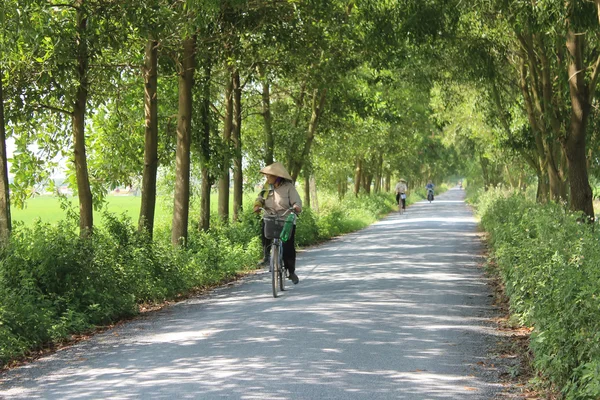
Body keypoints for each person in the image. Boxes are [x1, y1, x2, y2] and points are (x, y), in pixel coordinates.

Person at [253, 162, 302, 284]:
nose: (267, 178)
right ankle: (266, 256)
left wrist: (296, 207)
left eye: (269, 176)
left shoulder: (289, 187)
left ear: (277, 176)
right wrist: (258, 205)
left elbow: (297, 201)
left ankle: (291, 271)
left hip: (285, 219)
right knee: (264, 231)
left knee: (288, 245)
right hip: (270, 216)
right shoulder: (266, 187)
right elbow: (259, 198)